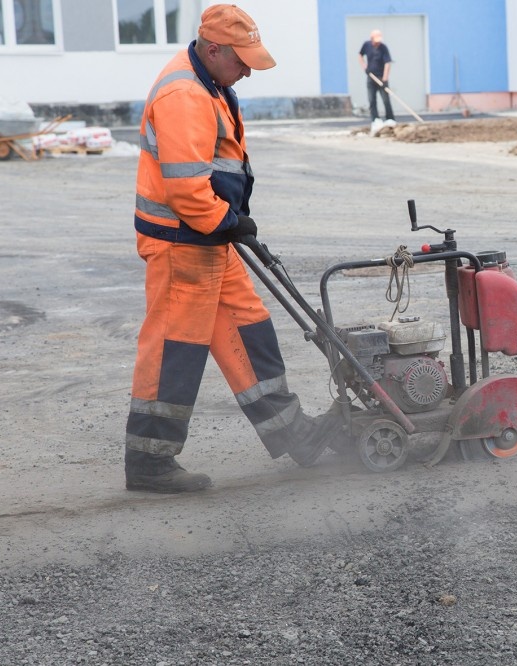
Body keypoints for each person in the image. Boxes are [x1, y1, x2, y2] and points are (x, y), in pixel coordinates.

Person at [124, 4, 331, 493]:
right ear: (212, 49)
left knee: (250, 328)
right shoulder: (183, 94)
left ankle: (294, 434)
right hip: (182, 242)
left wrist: (228, 224)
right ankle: (149, 462)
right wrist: (229, 220)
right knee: (176, 348)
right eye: (242, 61)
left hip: (208, 238)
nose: (246, 72)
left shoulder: (212, 84)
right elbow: (185, 186)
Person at [358, 29, 396, 129]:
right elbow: (360, 55)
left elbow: (387, 63)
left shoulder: (383, 48)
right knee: (372, 100)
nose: (378, 42)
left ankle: (390, 119)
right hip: (371, 77)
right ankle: (375, 119)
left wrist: (385, 79)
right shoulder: (366, 45)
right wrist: (364, 67)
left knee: (386, 100)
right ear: (371, 39)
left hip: (381, 78)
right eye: (376, 40)